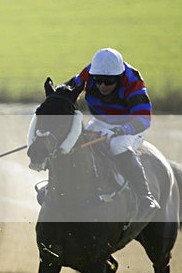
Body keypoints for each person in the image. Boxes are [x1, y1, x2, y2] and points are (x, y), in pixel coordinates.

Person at [63, 47, 160, 220]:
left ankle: (146, 198)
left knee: (118, 145)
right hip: (101, 121)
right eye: (98, 81)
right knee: (74, 143)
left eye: (108, 82)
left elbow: (144, 118)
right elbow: (68, 89)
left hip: (130, 125)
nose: (102, 86)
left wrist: (123, 130)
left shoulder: (132, 81)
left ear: (119, 78)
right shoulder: (90, 72)